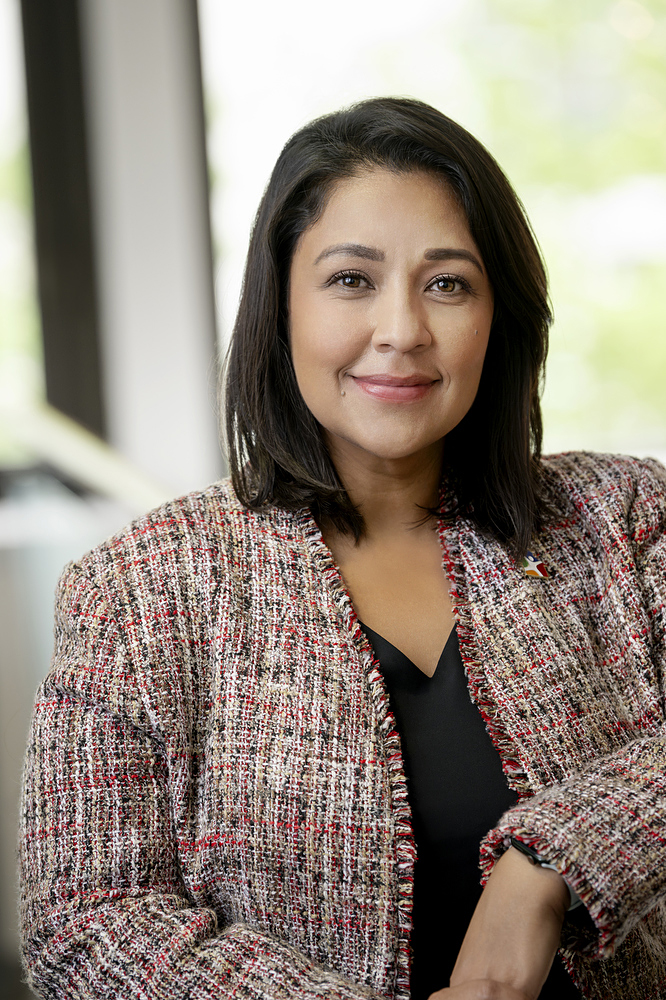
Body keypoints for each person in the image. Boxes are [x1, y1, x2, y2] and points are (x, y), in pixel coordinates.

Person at [18, 97, 666, 1000]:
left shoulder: (626, 518)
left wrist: (546, 866)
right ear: (280, 305)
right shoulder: (138, 589)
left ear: (498, 316)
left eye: (447, 283)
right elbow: (84, 922)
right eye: (352, 280)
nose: (401, 330)